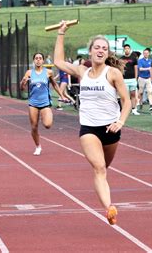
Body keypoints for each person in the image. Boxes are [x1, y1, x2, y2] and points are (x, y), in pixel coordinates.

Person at [53, 21, 131, 225]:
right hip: (89, 129)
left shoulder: (113, 74)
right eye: (97, 47)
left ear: (107, 53)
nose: (100, 50)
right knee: (99, 169)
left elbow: (127, 101)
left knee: (105, 168)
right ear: (90, 51)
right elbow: (59, 61)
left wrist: (121, 121)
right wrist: (61, 33)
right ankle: (109, 209)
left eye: (104, 48)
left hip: (111, 128)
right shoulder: (82, 72)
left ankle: (103, 195)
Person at [20, 53, 67, 156]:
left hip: (45, 103)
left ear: (43, 61)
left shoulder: (48, 72)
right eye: (36, 58)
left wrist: (62, 96)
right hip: (33, 103)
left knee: (47, 125)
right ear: (33, 60)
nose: (38, 60)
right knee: (34, 127)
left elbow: (54, 84)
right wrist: (23, 82)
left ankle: (45, 115)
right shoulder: (29, 73)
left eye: (40, 58)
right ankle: (38, 146)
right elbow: (22, 88)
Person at [120, 44, 139, 115]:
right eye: (125, 48)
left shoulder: (133, 58)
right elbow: (120, 69)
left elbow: (136, 68)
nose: (127, 50)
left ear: (130, 49)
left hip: (132, 79)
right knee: (125, 96)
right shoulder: (121, 58)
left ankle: (134, 109)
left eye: (128, 48)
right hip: (124, 79)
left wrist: (136, 78)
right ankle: (125, 110)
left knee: (133, 94)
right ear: (124, 50)